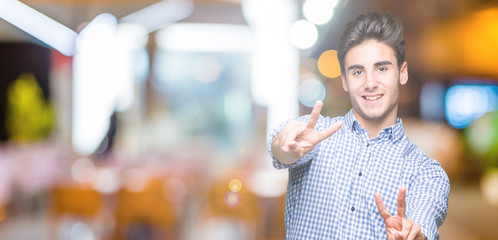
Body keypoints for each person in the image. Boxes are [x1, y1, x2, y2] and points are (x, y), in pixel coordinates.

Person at [267, 12, 450, 240]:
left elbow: (423, 221)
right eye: (358, 72)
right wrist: (284, 147)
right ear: (344, 80)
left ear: (402, 73)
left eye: (382, 68)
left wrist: (412, 235)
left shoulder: (426, 173)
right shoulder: (314, 136)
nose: (370, 83)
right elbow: (280, 146)